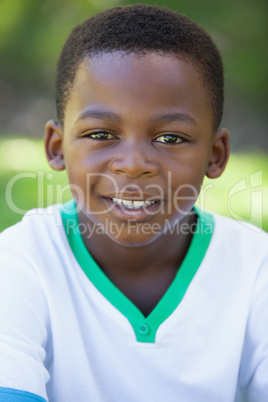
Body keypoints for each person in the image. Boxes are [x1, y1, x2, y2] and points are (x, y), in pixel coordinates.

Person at [0, 4, 267, 402]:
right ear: (57, 148)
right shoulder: (22, 260)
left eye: (170, 138)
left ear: (215, 155)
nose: (133, 165)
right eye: (101, 133)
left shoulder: (255, 265)